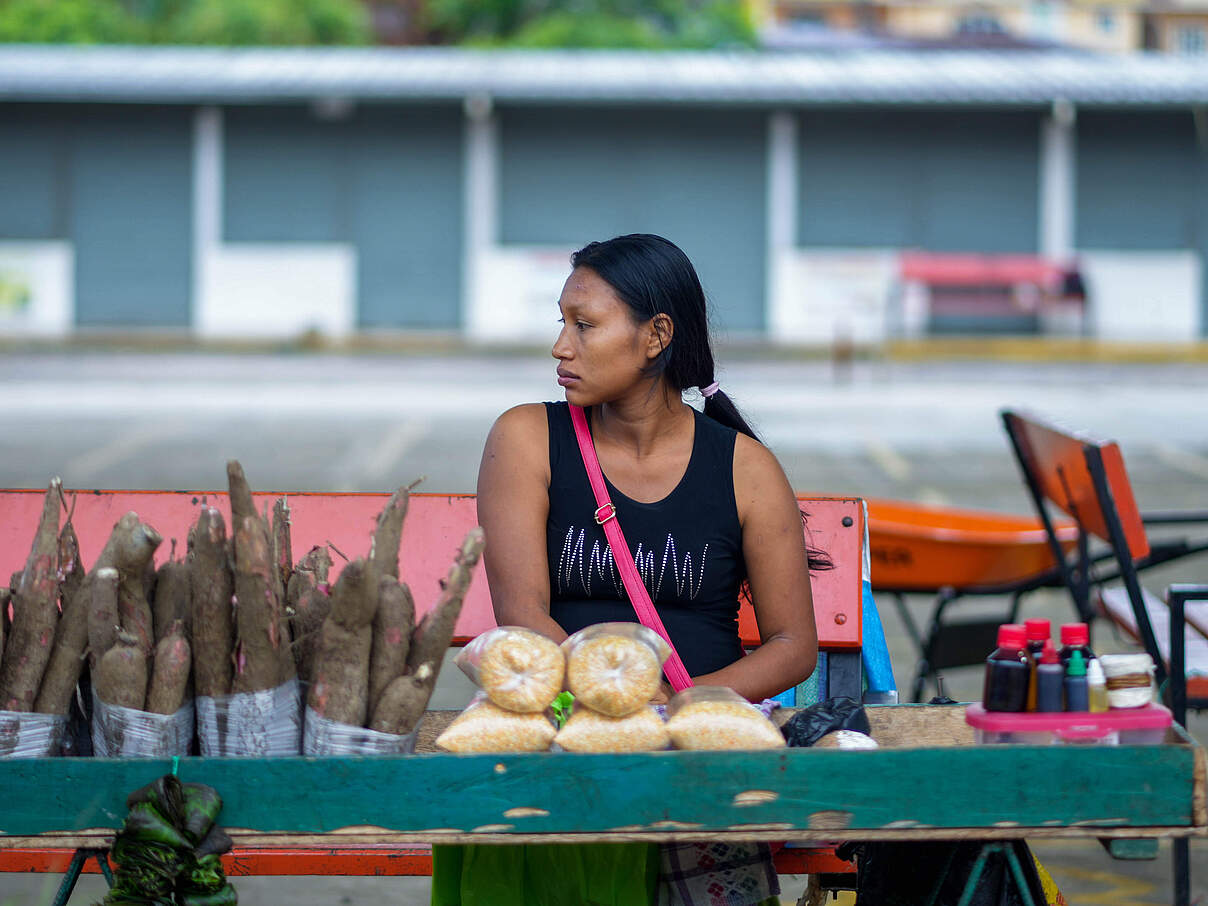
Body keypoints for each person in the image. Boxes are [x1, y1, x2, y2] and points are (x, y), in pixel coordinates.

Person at [432, 233, 827, 906]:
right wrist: (612, 717)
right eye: (562, 323)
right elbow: (522, 614)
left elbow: (794, 646)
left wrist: (681, 711)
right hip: (561, 719)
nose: (561, 345)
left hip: (698, 730)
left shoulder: (745, 469)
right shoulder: (528, 438)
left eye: (584, 325)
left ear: (656, 336)